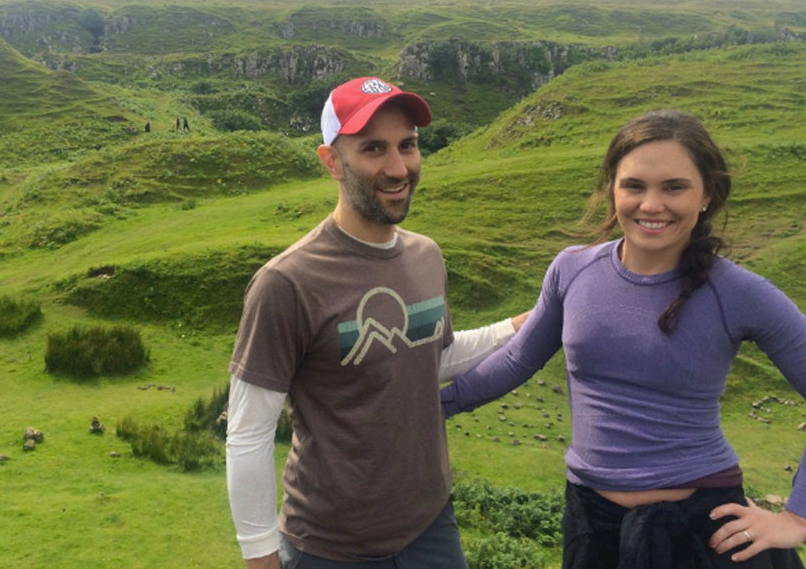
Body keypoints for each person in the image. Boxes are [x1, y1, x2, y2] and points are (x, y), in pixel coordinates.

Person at [440, 110, 806, 568]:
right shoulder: (572, 270)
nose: (651, 205)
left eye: (674, 187)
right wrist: (434, 408)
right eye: (634, 185)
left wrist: (798, 517)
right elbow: (517, 361)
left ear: (707, 195)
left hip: (702, 532)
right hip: (591, 526)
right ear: (612, 190)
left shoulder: (738, 292)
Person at [226, 76, 529, 569]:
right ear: (332, 162)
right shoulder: (287, 282)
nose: (398, 167)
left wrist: (526, 323)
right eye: (373, 149)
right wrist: (260, 557)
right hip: (328, 547)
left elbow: (435, 354)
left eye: (407, 145)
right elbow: (249, 431)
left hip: (431, 527)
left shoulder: (426, 256)